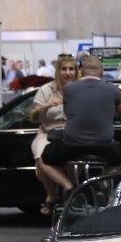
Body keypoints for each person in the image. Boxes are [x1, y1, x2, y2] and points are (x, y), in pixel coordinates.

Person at [41, 54, 121, 186]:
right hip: (104, 145)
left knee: (46, 157)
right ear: (102, 72)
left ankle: (70, 187)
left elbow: (67, 113)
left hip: (72, 145)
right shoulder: (111, 89)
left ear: (81, 70)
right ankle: (104, 184)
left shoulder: (69, 88)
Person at [29, 55, 78, 212]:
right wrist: (46, 107)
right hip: (47, 132)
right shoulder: (46, 90)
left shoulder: (80, 89)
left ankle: (67, 194)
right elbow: (33, 117)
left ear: (76, 71)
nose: (68, 73)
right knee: (41, 159)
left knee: (72, 160)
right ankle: (56, 193)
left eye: (71, 69)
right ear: (58, 71)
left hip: (72, 133)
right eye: (64, 69)